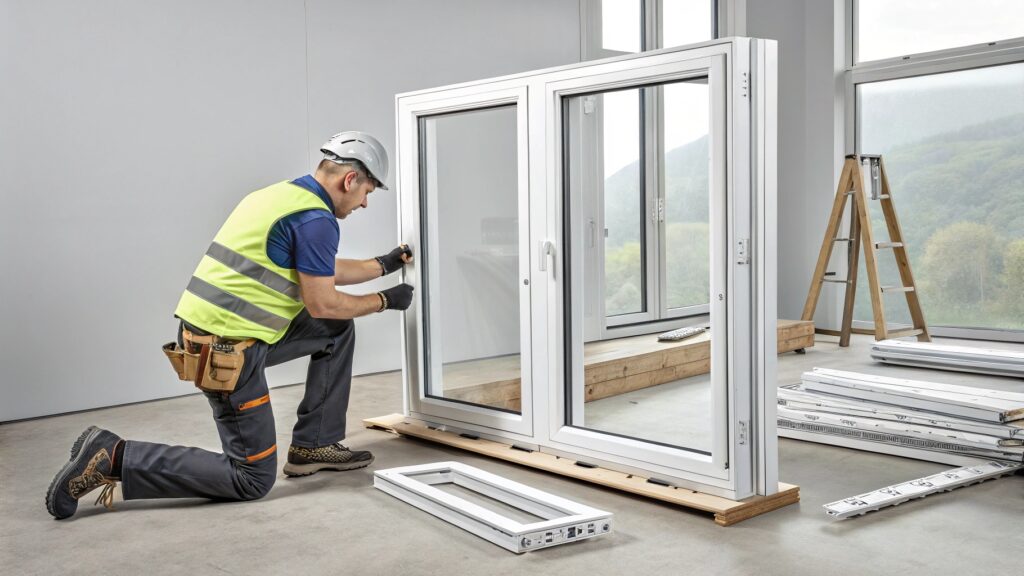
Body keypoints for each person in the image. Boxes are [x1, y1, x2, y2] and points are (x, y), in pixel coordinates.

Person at [46, 131, 414, 519]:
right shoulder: (316, 219)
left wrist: (383, 264)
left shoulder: (277, 196)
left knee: (334, 331)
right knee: (251, 478)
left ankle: (314, 445)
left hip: (214, 335)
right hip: (226, 354)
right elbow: (321, 299)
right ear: (350, 179)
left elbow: (318, 268)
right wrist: (383, 301)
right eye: (368, 191)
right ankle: (115, 457)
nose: (366, 203)